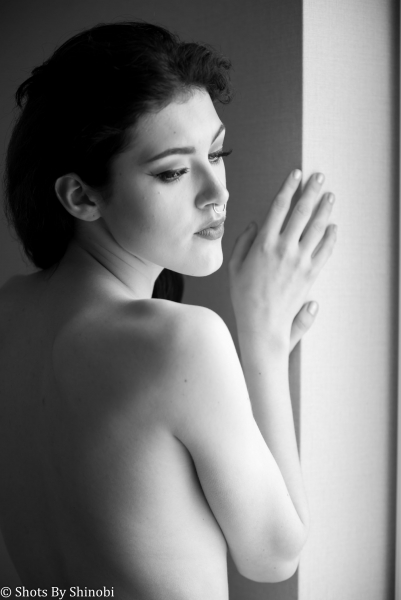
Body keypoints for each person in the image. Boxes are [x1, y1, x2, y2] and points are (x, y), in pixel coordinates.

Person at [0, 21, 337, 599]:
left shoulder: (8, 312)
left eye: (217, 153)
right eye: (173, 171)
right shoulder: (182, 341)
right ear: (81, 195)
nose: (217, 193)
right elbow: (274, 556)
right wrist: (263, 340)